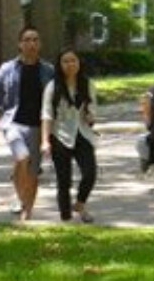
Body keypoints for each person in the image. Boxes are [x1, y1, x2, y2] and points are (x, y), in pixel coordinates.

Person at [0, 25, 54, 221]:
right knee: (22, 157)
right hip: (13, 123)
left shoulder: (48, 71)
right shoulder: (7, 69)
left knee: (32, 171)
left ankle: (28, 210)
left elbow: (56, 102)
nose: (31, 44)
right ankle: (22, 199)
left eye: (35, 40)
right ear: (19, 44)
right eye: (27, 40)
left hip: (38, 126)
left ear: (39, 44)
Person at [41, 48, 98, 222]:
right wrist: (45, 141)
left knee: (90, 172)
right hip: (60, 135)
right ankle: (65, 218)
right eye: (65, 61)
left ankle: (80, 203)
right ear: (60, 64)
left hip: (82, 134)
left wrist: (91, 117)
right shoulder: (53, 86)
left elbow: (93, 108)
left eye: (73, 60)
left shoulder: (87, 84)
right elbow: (47, 114)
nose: (70, 64)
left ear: (79, 63)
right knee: (63, 181)